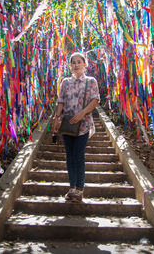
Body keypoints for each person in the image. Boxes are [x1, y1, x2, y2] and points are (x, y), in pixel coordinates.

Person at [52, 52, 100, 202]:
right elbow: (61, 101)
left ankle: (79, 189)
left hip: (83, 125)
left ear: (85, 64)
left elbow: (95, 100)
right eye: (73, 62)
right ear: (70, 65)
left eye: (79, 62)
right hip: (67, 125)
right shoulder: (65, 82)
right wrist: (56, 118)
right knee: (69, 156)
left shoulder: (91, 81)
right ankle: (72, 187)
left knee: (78, 155)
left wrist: (82, 113)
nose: (76, 64)